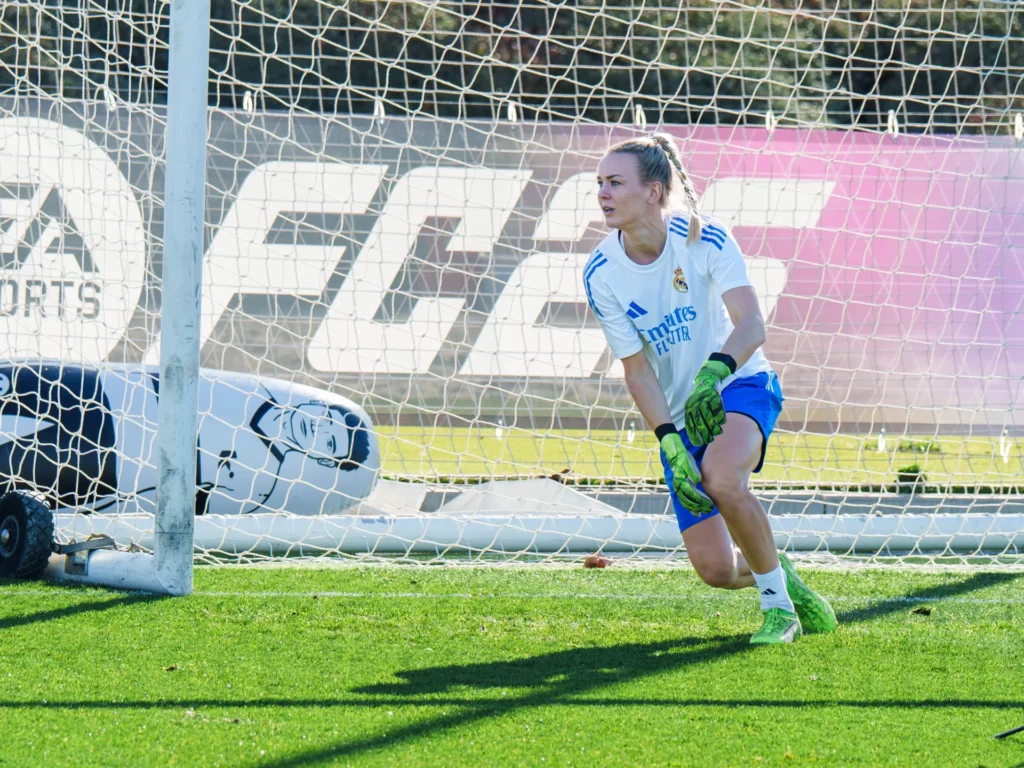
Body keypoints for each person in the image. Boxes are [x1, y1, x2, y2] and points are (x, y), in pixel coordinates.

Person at [584, 132, 837, 644]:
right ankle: (777, 570)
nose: (603, 194)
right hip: (678, 415)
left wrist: (713, 373)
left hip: (740, 383)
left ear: (654, 191)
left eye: (615, 182)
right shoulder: (601, 272)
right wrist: (669, 440)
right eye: (600, 184)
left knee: (723, 479)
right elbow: (637, 371)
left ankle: (778, 612)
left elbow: (751, 326)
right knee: (717, 571)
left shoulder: (707, 238)